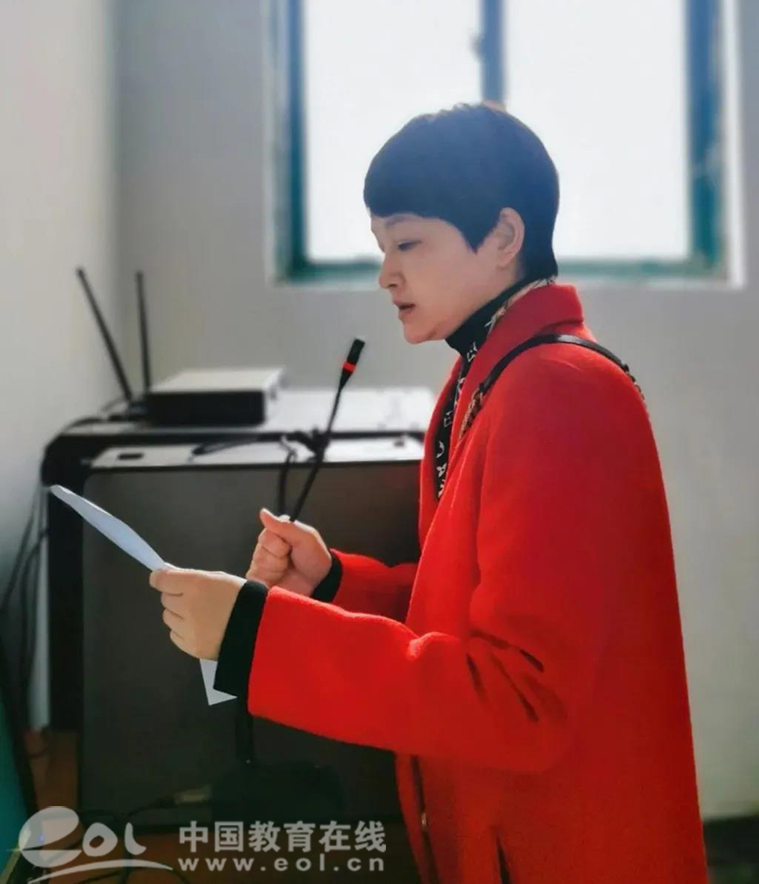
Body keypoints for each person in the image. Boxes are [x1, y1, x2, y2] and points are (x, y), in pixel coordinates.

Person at [150, 102, 709, 883]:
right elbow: (479, 608)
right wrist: (335, 585)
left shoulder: (556, 389)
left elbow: (520, 698)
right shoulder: (492, 373)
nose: (386, 272)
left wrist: (256, 634)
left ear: (504, 236)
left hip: (560, 847)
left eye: (408, 241)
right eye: (382, 245)